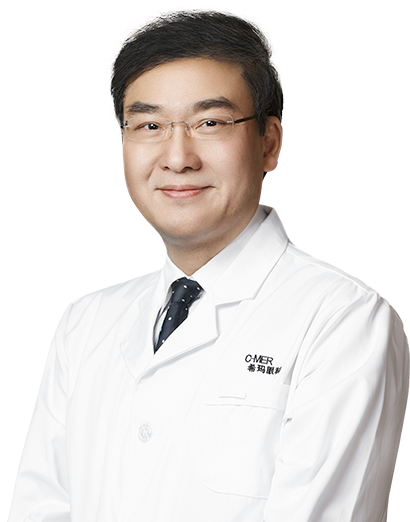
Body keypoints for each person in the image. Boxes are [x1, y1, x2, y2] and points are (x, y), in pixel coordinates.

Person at [9, 8, 409, 522]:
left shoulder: (343, 321)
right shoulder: (86, 325)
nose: (178, 157)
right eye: (149, 125)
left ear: (269, 143)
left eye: (210, 123)